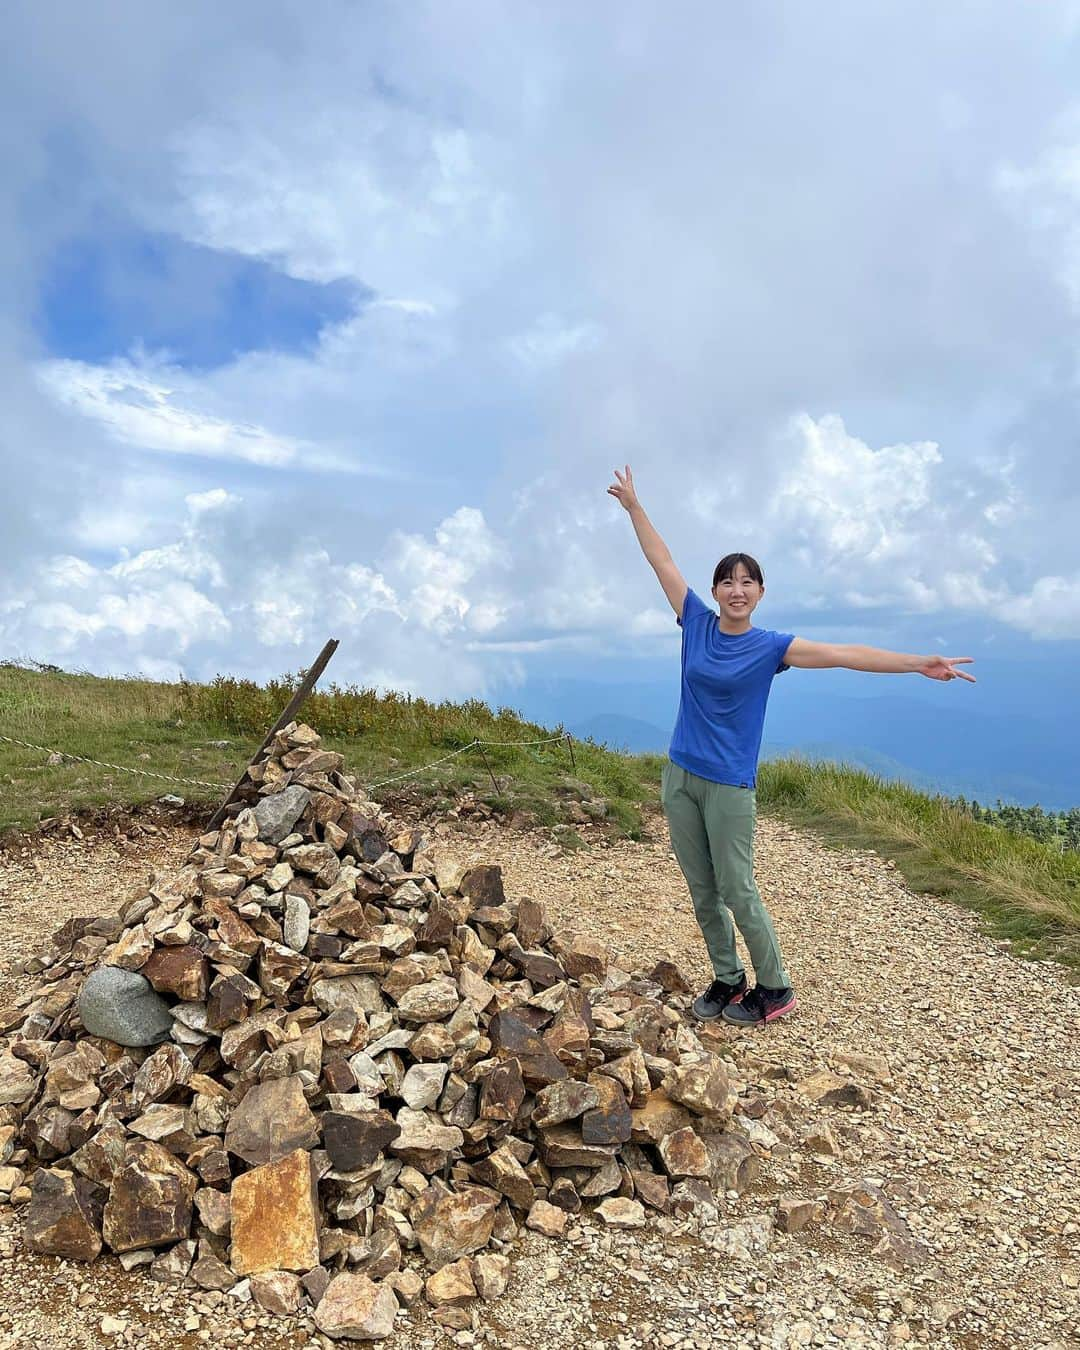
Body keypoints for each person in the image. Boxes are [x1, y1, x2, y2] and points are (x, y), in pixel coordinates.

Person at [607, 465, 976, 1028]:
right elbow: (662, 561)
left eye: (746, 581)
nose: (736, 589)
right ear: (714, 591)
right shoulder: (696, 624)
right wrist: (635, 507)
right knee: (702, 889)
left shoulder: (770, 647)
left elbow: (846, 653)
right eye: (727, 581)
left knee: (736, 886)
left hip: (730, 784)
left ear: (760, 592)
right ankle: (728, 979)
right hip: (680, 776)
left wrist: (918, 664)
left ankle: (775, 987)